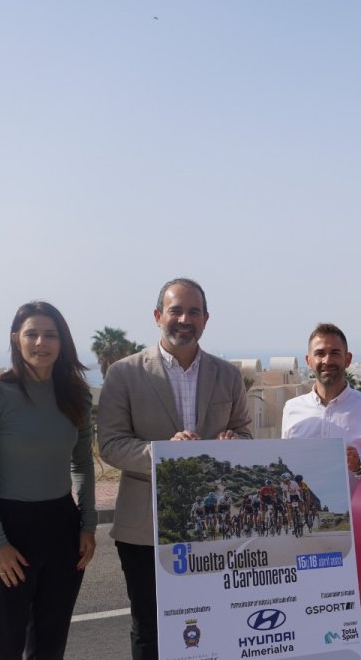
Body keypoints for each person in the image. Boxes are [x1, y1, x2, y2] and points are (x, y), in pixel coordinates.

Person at [98, 278, 251, 660]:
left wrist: (234, 447)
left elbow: (247, 435)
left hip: (214, 529)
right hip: (145, 528)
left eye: (194, 312)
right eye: (176, 311)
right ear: (157, 316)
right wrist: (165, 455)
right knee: (150, 629)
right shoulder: (124, 374)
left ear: (206, 319)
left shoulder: (227, 375)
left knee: (216, 621)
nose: (185, 319)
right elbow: (111, 444)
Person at [0, 301, 96, 659]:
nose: (41, 342)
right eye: (31, 334)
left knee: (50, 645)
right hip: (9, 528)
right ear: (15, 339)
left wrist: (87, 525)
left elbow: (82, 464)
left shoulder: (76, 395)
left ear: (62, 342)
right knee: (3, 646)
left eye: (50, 335)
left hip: (62, 527)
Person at [282, 323, 361, 491]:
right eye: (320, 354)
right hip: (307, 511)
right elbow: (286, 460)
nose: (327, 360)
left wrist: (359, 465)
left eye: (335, 353)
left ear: (347, 359)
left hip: (359, 514)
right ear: (309, 361)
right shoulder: (292, 409)